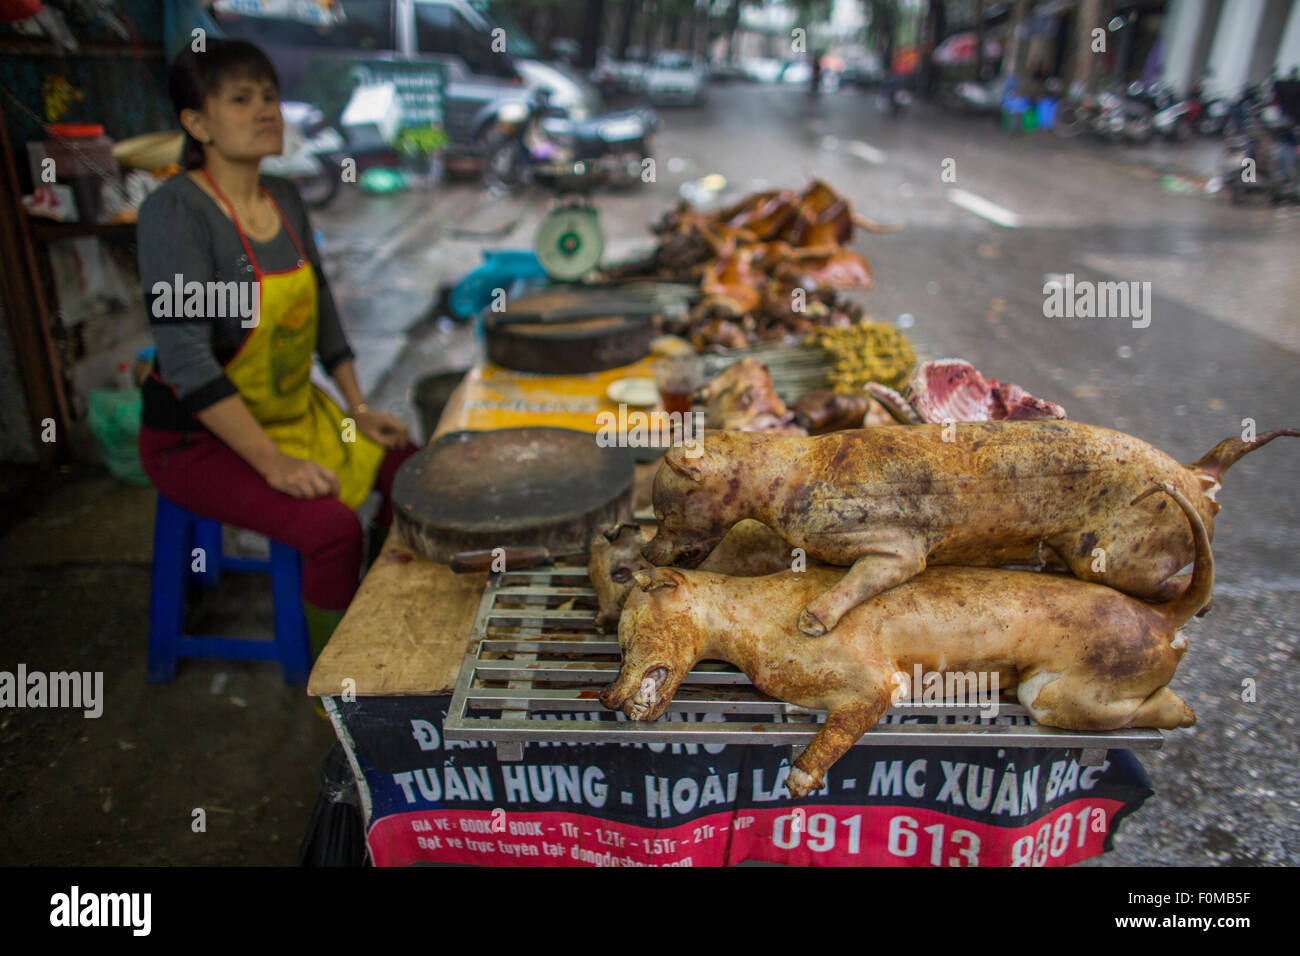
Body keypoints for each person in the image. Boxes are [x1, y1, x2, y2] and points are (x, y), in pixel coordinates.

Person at [137, 39, 420, 660]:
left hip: (291, 415)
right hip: (197, 440)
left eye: (269, 95)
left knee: (408, 466)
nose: (266, 109)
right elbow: (185, 361)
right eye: (241, 99)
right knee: (328, 529)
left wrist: (355, 407)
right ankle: (337, 679)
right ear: (196, 122)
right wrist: (274, 464)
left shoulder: (285, 197)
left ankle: (373, 603)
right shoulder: (176, 213)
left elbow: (318, 306)